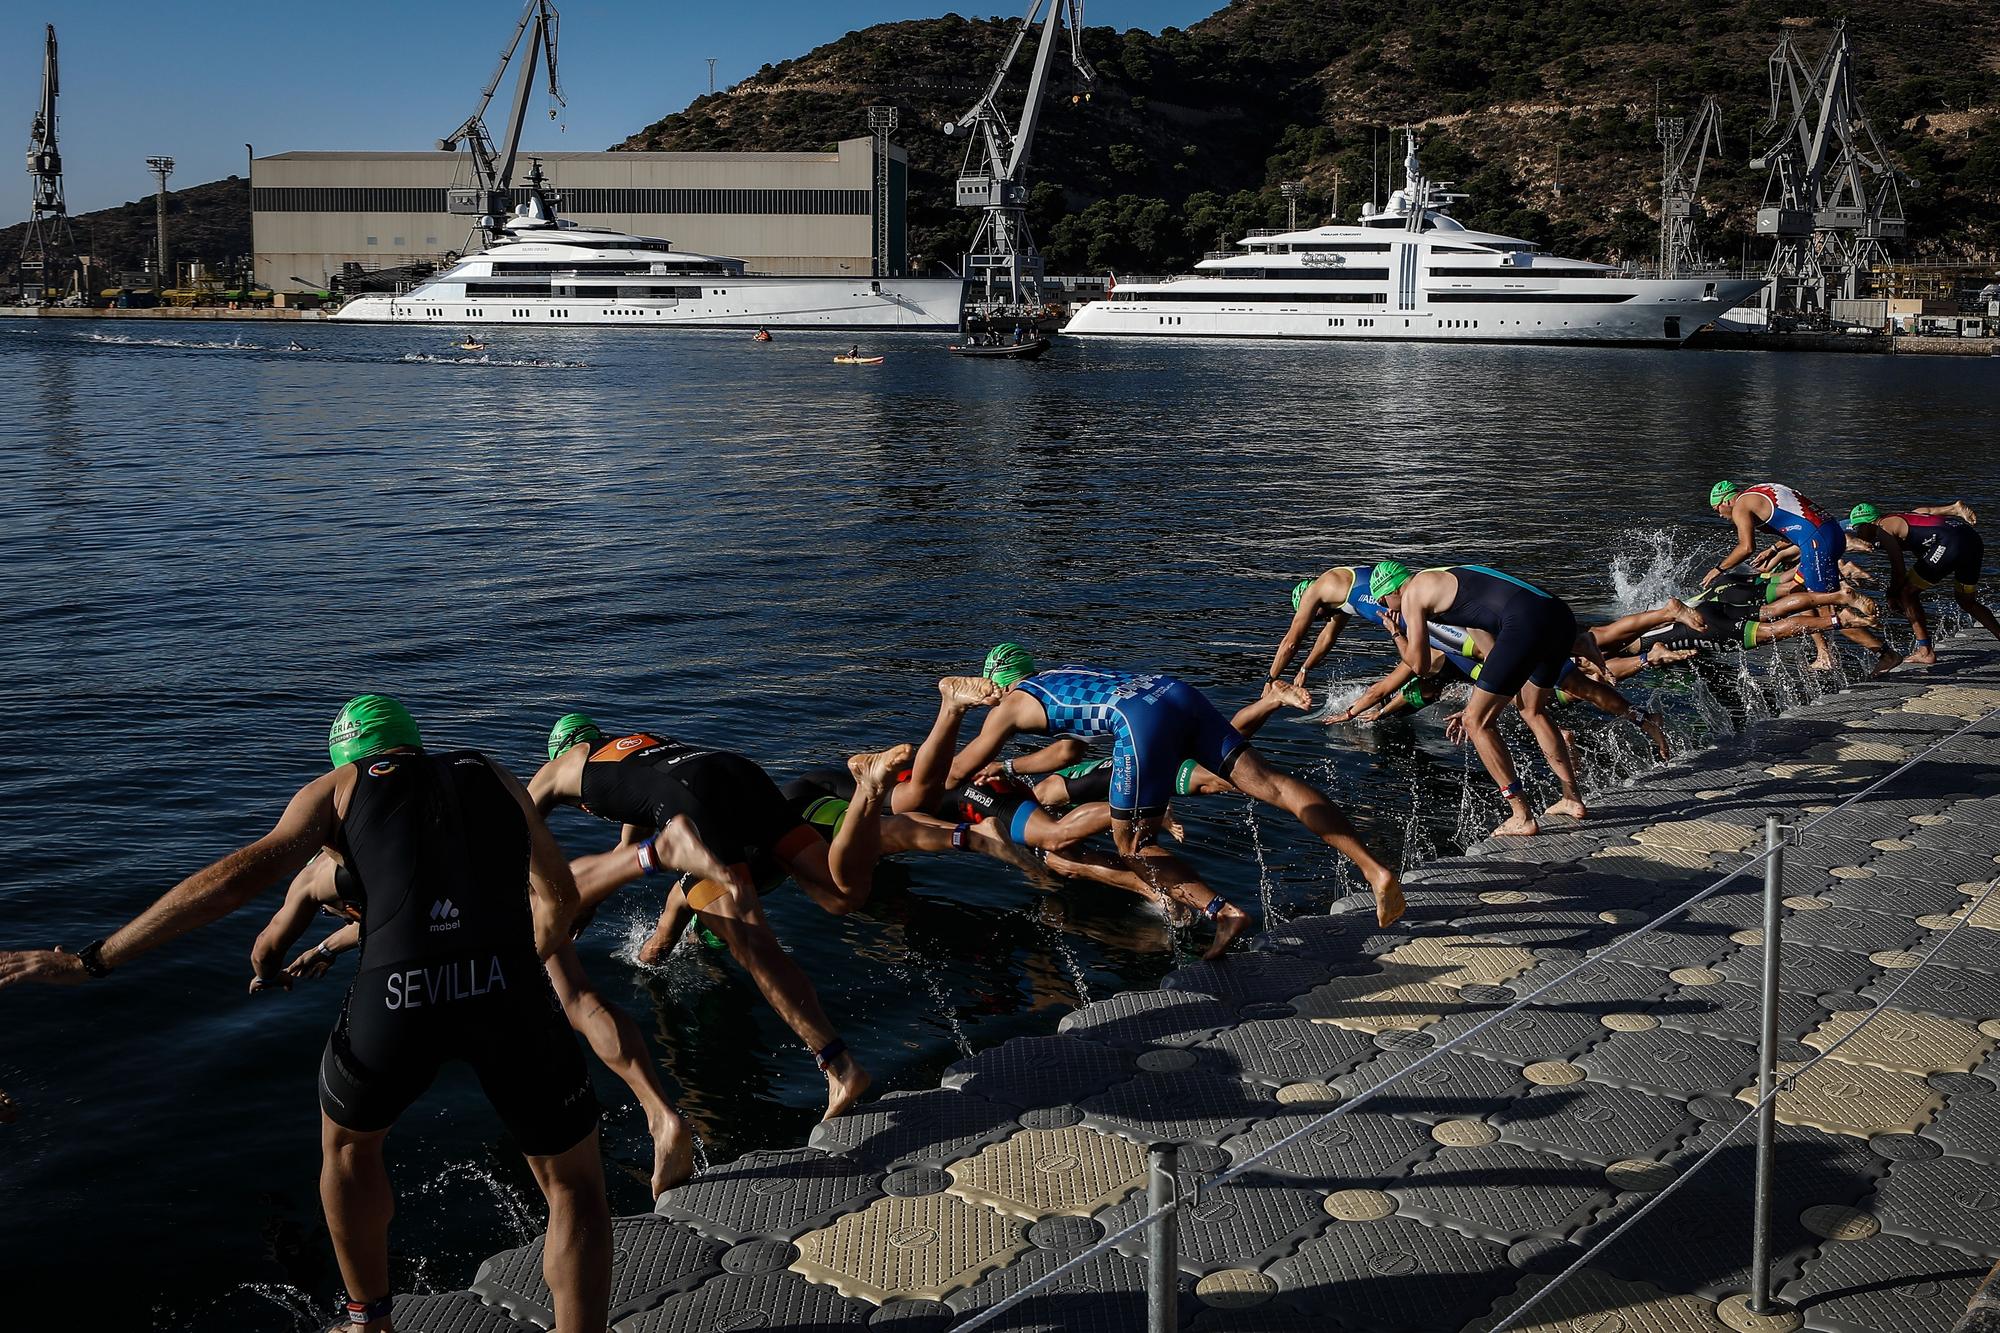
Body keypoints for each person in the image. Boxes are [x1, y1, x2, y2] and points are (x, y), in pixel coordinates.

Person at [0, 695, 614, 1333]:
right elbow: (561, 894)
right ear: (413, 741)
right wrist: (510, 966)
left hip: (396, 997)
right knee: (574, 1189)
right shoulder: (492, 772)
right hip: (508, 990)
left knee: (349, 1149)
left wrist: (90, 961)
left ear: (347, 754)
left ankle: (369, 1318)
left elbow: (231, 886)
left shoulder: (339, 787)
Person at [255, 851, 693, 1196]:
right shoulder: (416, 829)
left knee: (352, 1143)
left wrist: (283, 963)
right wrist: (328, 947)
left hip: (465, 946)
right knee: (578, 998)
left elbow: (379, 920)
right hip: (519, 900)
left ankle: (369, 1307)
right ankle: (660, 1115)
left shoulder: (331, 871)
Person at [530, 714, 903, 1120]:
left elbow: (512, 827)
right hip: (736, 773)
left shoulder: (557, 769)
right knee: (842, 894)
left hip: (692, 804)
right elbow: (630, 838)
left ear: (558, 752)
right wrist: (594, 902)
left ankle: (841, 1069)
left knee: (751, 941)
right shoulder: (630, 747)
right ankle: (867, 791)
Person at [942, 645, 1404, 938]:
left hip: (1139, 723)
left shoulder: (1006, 707)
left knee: (1133, 847)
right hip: (1173, 690)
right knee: (1276, 787)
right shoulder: (1058, 673)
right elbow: (1070, 743)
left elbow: (952, 773)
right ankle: (1376, 871)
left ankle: (1224, 915)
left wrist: (954, 711)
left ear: (995, 685)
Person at [1371, 562, 1615, 837]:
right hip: (1558, 615)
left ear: (1393, 588)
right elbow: (1492, 655)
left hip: (1525, 621)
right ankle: (1572, 798)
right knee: (1531, 709)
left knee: (1477, 723)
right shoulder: (1447, 578)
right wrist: (1476, 701)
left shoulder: (1413, 593)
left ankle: (1521, 815)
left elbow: (1420, 665)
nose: (1389, 607)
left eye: (1384, 600)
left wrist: (1394, 631)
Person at [1705, 480, 1899, 675]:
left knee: (1829, 612)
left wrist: (1718, 569)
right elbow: (1795, 521)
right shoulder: (1761, 490)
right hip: (1832, 533)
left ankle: (1885, 655)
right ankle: (1824, 653)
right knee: (1799, 593)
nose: (1721, 516)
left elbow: (1746, 547)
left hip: (1817, 543)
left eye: (1717, 509)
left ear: (1727, 501)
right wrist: (1773, 549)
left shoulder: (1741, 505)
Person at [1848, 501, 1999, 664]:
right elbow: (1928, 510)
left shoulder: (1883, 529)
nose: (1858, 534)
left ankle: (1925, 651)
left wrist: (1891, 595)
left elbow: (1898, 568)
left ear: (1868, 524)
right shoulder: (1906, 515)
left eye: (1858, 529)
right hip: (1971, 539)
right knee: (1966, 601)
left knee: (1906, 592)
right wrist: (1954, 509)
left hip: (1950, 543)